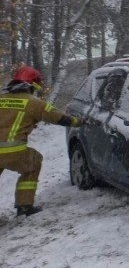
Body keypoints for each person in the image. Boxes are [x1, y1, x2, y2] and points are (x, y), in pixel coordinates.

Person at [0, 66, 82, 216]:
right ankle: (24, 206)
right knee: (34, 162)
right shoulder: (33, 102)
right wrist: (79, 122)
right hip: (12, 152)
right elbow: (59, 118)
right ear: (32, 85)